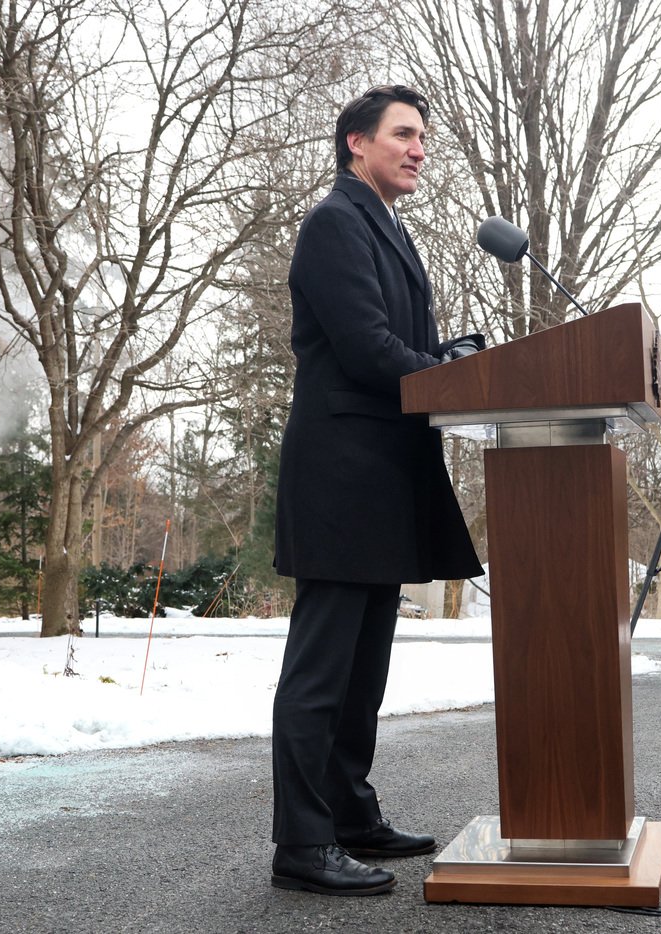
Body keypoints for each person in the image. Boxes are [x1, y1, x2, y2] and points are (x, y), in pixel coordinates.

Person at [270, 86, 485, 897]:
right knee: (321, 674)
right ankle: (302, 843)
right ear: (356, 142)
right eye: (404, 134)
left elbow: (403, 345)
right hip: (341, 477)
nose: (419, 148)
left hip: (383, 476)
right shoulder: (335, 221)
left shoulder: (385, 226)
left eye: (423, 136)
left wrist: (452, 360)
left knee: (364, 671)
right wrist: (448, 372)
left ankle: (349, 813)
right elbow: (365, 347)